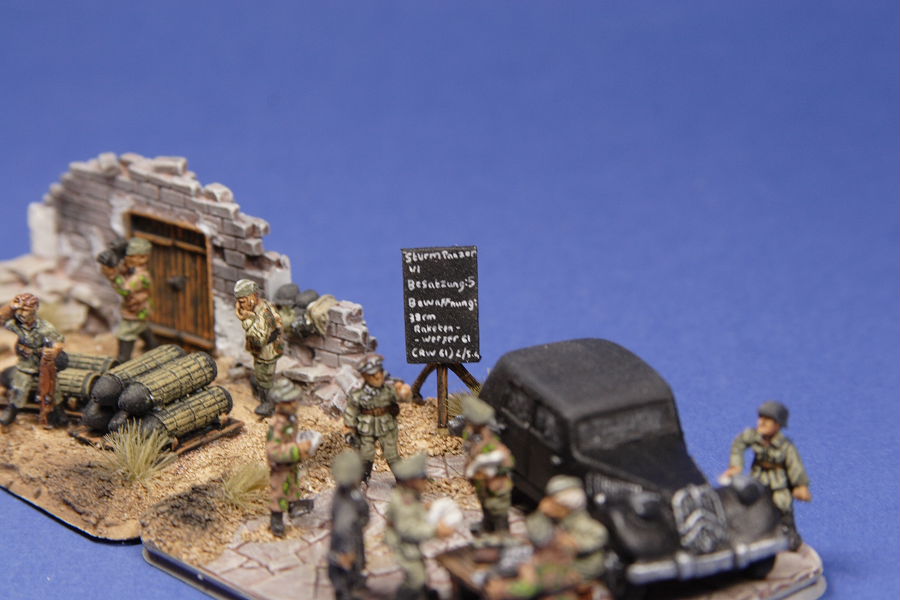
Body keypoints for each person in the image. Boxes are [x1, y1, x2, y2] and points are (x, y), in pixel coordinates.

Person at [722, 401, 811, 550]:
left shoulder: (786, 446)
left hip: (778, 482)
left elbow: (795, 466)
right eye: (761, 418)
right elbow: (738, 444)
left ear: (778, 424)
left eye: (768, 419)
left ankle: (790, 534)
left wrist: (800, 486)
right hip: (758, 478)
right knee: (749, 503)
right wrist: (736, 465)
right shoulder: (754, 436)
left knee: (782, 504)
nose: (762, 422)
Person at [384, 453, 454, 600]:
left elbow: (413, 514)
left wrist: (424, 509)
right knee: (416, 578)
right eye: (422, 478)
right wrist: (435, 531)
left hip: (409, 544)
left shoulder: (410, 494)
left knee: (420, 570)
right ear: (411, 481)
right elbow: (408, 529)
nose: (425, 482)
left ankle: (423, 593)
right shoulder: (404, 502)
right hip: (403, 545)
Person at [526, 476, 608, 587]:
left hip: (581, 567)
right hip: (556, 562)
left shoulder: (582, 522)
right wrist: (542, 514)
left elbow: (599, 535)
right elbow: (539, 537)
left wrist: (574, 544)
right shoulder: (550, 518)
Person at [343, 353, 412, 481]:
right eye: (372, 374)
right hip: (366, 427)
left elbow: (401, 397)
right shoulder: (359, 393)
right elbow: (351, 410)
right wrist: (349, 429)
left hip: (386, 425)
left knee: (391, 454)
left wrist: (404, 392)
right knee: (366, 453)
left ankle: (402, 478)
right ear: (365, 376)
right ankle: (363, 477)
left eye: (379, 371)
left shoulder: (388, 389)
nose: (377, 376)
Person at [0, 293, 65, 426]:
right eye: (19, 310)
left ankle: (59, 415)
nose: (21, 313)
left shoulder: (45, 328)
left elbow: (59, 342)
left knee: (53, 391)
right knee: (19, 388)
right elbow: (2, 318)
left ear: (35, 309)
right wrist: (11, 307)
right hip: (25, 363)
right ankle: (11, 412)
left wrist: (54, 351)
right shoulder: (17, 324)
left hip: (44, 364)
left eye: (25, 310)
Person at [461, 394, 514, 534]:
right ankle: (487, 526)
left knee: (498, 510)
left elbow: (508, 462)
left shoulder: (493, 443)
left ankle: (503, 534)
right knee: (485, 504)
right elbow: (469, 449)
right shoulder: (470, 434)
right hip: (481, 480)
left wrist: (495, 470)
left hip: (496, 483)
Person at [99, 237, 157, 363]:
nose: (126, 259)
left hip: (138, 310)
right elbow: (120, 270)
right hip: (135, 309)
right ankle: (153, 346)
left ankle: (123, 360)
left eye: (130, 256)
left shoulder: (141, 276)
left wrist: (113, 275)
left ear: (142, 258)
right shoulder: (131, 268)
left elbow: (124, 290)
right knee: (141, 327)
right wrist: (108, 266)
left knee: (125, 333)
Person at [266, 385, 313, 537]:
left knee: (292, 485)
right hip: (280, 466)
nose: (294, 404)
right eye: (289, 401)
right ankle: (276, 519)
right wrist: (297, 449)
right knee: (279, 491)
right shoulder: (278, 424)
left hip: (290, 462)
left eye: (295, 400)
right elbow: (273, 452)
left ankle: (293, 506)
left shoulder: (291, 419)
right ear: (279, 404)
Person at [234, 279, 284, 416]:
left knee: (265, 377)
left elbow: (259, 340)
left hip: (266, 352)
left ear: (253, 297)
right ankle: (261, 389)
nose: (239, 305)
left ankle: (268, 404)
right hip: (262, 351)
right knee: (260, 373)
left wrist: (247, 320)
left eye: (242, 301)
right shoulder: (260, 307)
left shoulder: (263, 314)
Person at [328, 450, 370, 600]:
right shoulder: (345, 505)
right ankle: (344, 592)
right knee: (344, 570)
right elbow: (342, 529)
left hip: (354, 535)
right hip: (345, 543)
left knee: (356, 562)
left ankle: (355, 581)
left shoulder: (351, 495)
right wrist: (347, 551)